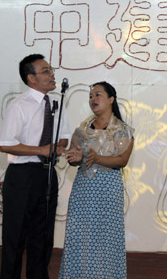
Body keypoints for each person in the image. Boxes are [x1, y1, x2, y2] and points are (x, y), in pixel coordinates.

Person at [0, 54, 71, 279]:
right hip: (22, 177)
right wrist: (41, 150)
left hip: (47, 175)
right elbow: (6, 144)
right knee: (16, 238)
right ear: (31, 78)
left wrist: (59, 146)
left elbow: (64, 136)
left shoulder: (56, 103)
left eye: (51, 70)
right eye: (46, 71)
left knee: (43, 238)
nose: (52, 75)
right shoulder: (19, 105)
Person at [59, 81, 134, 279]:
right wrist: (75, 159)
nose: (93, 99)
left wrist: (97, 158)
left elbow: (122, 160)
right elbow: (76, 158)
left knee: (105, 238)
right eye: (91, 96)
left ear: (111, 99)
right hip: (83, 188)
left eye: (98, 95)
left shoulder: (122, 130)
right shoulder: (82, 129)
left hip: (107, 189)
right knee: (79, 236)